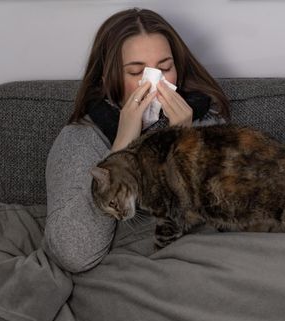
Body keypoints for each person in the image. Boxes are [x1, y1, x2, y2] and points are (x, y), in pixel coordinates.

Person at [43, 7, 231, 273]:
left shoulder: (205, 121)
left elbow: (232, 217)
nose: (155, 82)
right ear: (109, 80)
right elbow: (72, 254)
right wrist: (119, 150)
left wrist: (183, 146)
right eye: (136, 73)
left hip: (206, 265)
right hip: (131, 273)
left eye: (165, 68)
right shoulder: (82, 139)